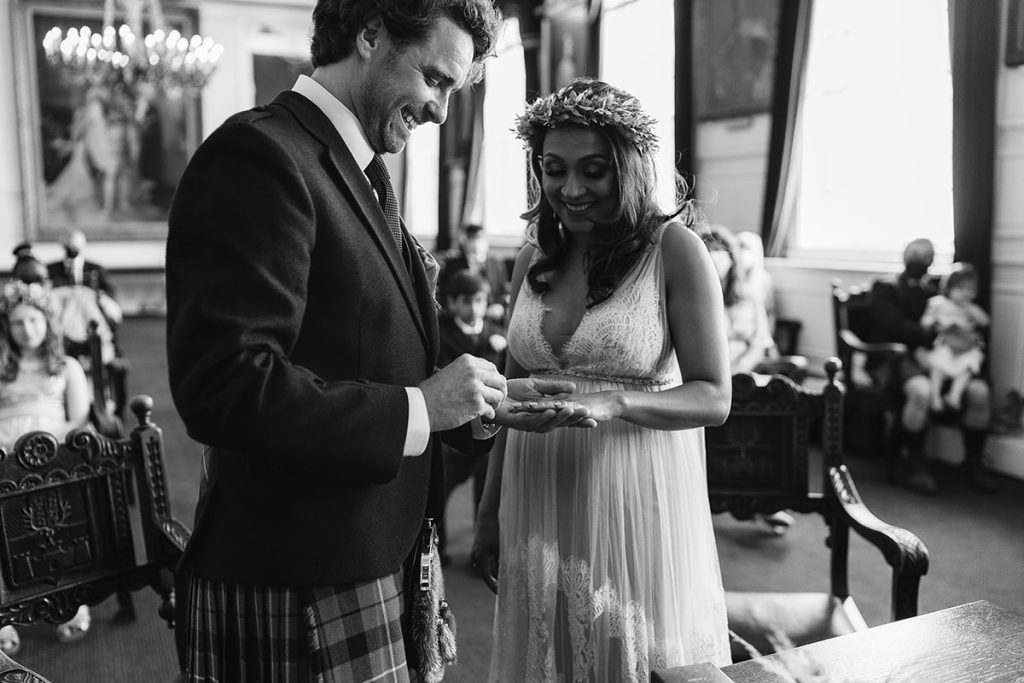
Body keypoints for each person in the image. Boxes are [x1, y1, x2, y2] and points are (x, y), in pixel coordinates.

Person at [165, 2, 592, 681]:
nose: (442, 111)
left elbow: (373, 350)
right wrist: (421, 407)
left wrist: (481, 402)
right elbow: (224, 386)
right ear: (370, 34)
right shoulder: (258, 156)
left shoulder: (358, 167)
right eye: (435, 78)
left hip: (373, 552)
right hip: (297, 571)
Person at [472, 78, 733, 680]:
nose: (571, 189)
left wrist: (617, 401)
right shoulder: (531, 257)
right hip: (535, 491)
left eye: (593, 170)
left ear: (629, 169)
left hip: (631, 489)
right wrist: (489, 512)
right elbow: (507, 396)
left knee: (628, 656)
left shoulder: (675, 251)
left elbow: (714, 396)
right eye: (554, 169)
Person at [0, 280, 92, 655]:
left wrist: (42, 446)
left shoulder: (66, 366)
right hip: (4, 459)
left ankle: (71, 601)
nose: (27, 329)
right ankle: (3, 613)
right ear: (7, 328)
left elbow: (79, 419)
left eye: (34, 320)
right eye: (18, 322)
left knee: (56, 518)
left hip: (51, 457)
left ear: (47, 322)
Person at [869, 238, 997, 494]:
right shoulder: (886, 288)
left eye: (927, 256)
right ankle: (916, 463)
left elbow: (976, 322)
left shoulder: (935, 291)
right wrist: (937, 334)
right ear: (905, 253)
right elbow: (896, 327)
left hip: (944, 355)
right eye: (916, 254)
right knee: (922, 391)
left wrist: (960, 340)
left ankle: (973, 462)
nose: (920, 260)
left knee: (980, 392)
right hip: (898, 357)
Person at [702, 224, 797, 536]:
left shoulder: (749, 297)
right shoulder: (694, 296)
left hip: (744, 374)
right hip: (704, 376)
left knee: (768, 408)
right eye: (710, 253)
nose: (717, 260)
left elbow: (759, 342)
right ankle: (714, 492)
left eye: (722, 253)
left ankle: (766, 499)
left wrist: (737, 372)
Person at [436, 269, 507, 563]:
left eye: (479, 300)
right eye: (467, 301)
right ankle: (437, 547)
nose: (474, 308)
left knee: (485, 489)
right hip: (454, 427)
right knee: (440, 487)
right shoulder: (441, 334)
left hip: (488, 426)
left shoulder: (495, 333)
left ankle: (482, 551)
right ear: (452, 303)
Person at [920, 263, 989, 413]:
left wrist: (970, 308)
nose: (966, 292)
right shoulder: (938, 303)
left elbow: (985, 321)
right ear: (949, 287)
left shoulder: (971, 307)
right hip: (946, 343)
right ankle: (935, 397)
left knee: (969, 366)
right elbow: (925, 322)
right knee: (938, 365)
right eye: (961, 288)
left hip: (966, 346)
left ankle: (954, 395)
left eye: (971, 289)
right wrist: (938, 324)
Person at [437, 222, 511, 322]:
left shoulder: (496, 264)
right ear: (465, 241)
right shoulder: (452, 265)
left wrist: (499, 305)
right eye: (472, 238)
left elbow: (503, 290)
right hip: (461, 316)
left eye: (480, 238)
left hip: (491, 317)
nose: (476, 243)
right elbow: (445, 293)